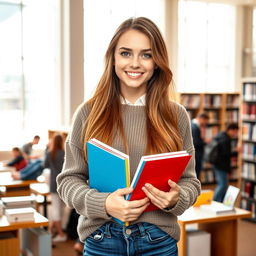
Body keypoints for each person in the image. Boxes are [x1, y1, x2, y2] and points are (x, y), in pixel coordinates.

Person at [57, 17, 201, 256]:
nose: (135, 63)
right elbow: (68, 181)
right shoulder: (87, 113)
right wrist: (103, 204)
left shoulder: (176, 115)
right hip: (102, 238)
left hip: (158, 240)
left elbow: (191, 183)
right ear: (113, 57)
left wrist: (177, 198)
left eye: (146, 54)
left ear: (157, 62)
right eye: (126, 53)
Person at [44, 134, 66, 242]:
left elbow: (45, 166)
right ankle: (51, 231)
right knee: (60, 210)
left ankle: (60, 234)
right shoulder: (65, 153)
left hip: (54, 184)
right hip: (65, 185)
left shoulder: (49, 153)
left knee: (56, 210)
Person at [212, 123, 239, 202]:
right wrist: (236, 151)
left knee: (223, 185)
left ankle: (220, 202)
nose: (235, 134)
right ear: (231, 130)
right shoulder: (225, 139)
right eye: (235, 131)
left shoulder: (220, 135)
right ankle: (214, 201)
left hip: (217, 164)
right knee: (223, 185)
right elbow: (226, 154)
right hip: (222, 165)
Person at [191, 112, 209, 179]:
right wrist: (205, 142)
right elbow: (195, 142)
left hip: (195, 154)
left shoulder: (192, 124)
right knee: (196, 174)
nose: (205, 123)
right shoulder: (194, 127)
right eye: (205, 121)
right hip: (196, 154)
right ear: (201, 119)